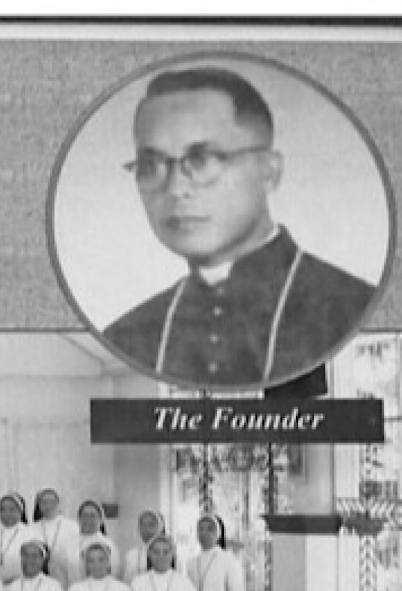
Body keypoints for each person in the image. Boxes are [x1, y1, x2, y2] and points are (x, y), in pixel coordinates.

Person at [103, 66, 373, 391]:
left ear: (269, 172)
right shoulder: (126, 336)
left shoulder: (355, 308)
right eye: (151, 166)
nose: (175, 189)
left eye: (201, 159)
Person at [187, 514, 248, 591]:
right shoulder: (191, 562)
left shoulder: (229, 560)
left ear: (218, 534)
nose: (204, 533)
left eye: (210, 529)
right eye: (201, 529)